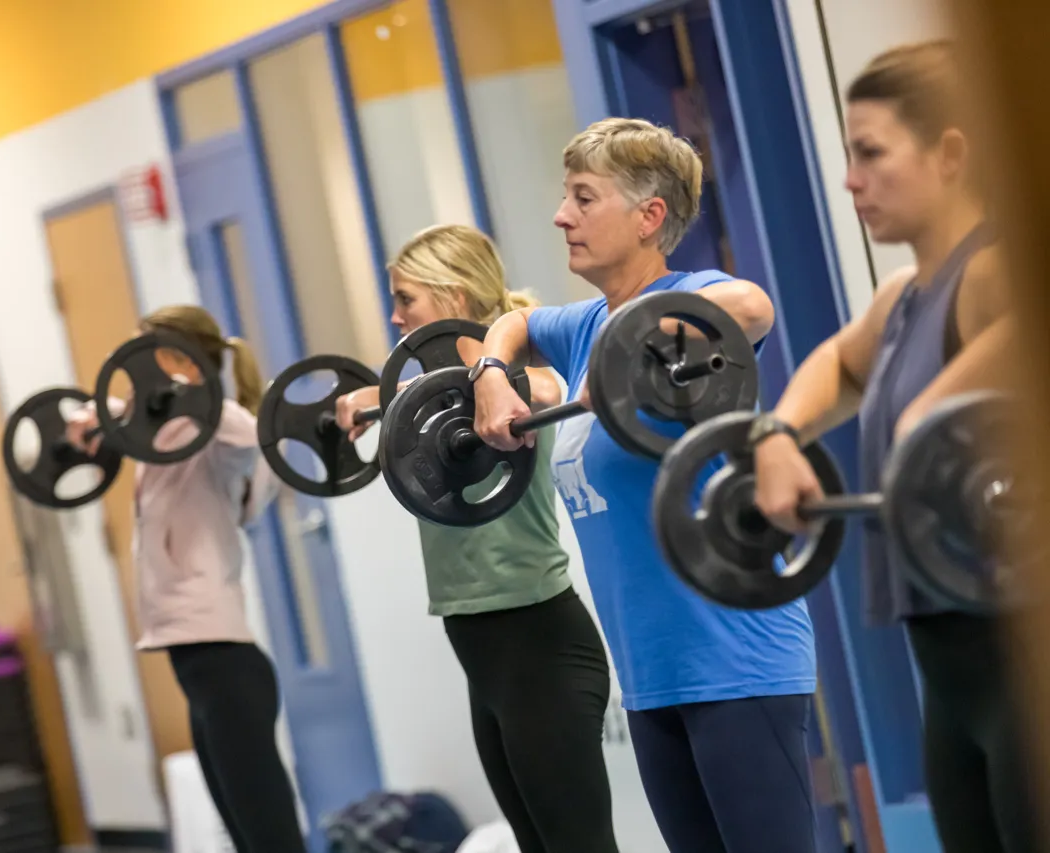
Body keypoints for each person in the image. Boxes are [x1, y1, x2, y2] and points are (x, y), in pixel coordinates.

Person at [471, 119, 818, 853]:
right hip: (654, 676)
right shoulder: (581, 324)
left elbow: (755, 306)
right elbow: (513, 321)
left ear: (649, 216)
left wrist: (643, 341)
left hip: (738, 661)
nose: (561, 216)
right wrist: (491, 379)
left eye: (583, 198)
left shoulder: (695, 298)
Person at [750, 41, 1037, 852]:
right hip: (948, 673)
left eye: (870, 153)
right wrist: (777, 433)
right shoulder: (901, 299)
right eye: (848, 155)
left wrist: (926, 424)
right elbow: (839, 362)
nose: (850, 179)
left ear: (950, 153)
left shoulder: (998, 275)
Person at [335, 224, 619, 853]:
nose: (394, 314)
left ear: (454, 296)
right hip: (480, 648)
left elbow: (548, 391)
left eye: (406, 298)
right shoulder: (429, 400)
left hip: (539, 643)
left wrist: (389, 393)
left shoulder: (516, 374)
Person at [67, 306, 306, 853]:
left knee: (273, 843)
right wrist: (103, 416)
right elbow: (117, 418)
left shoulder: (215, 430)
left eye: (149, 360)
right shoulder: (168, 433)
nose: (141, 375)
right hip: (199, 663)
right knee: (249, 841)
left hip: (224, 661)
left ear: (185, 363)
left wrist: (172, 396)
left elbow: (251, 434)